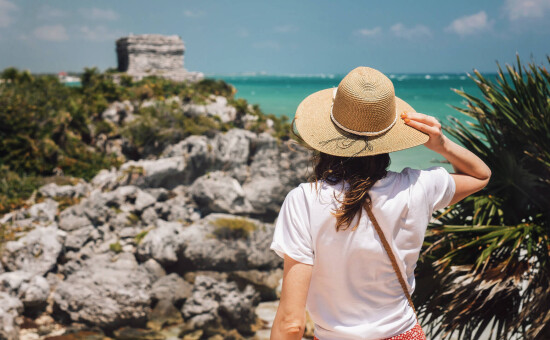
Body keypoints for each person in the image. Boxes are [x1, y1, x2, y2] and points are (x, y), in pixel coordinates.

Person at [269, 67, 491, 340]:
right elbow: (480, 175)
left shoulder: (304, 200)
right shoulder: (417, 187)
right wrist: (440, 143)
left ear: (328, 135)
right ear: (388, 136)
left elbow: (292, 324)